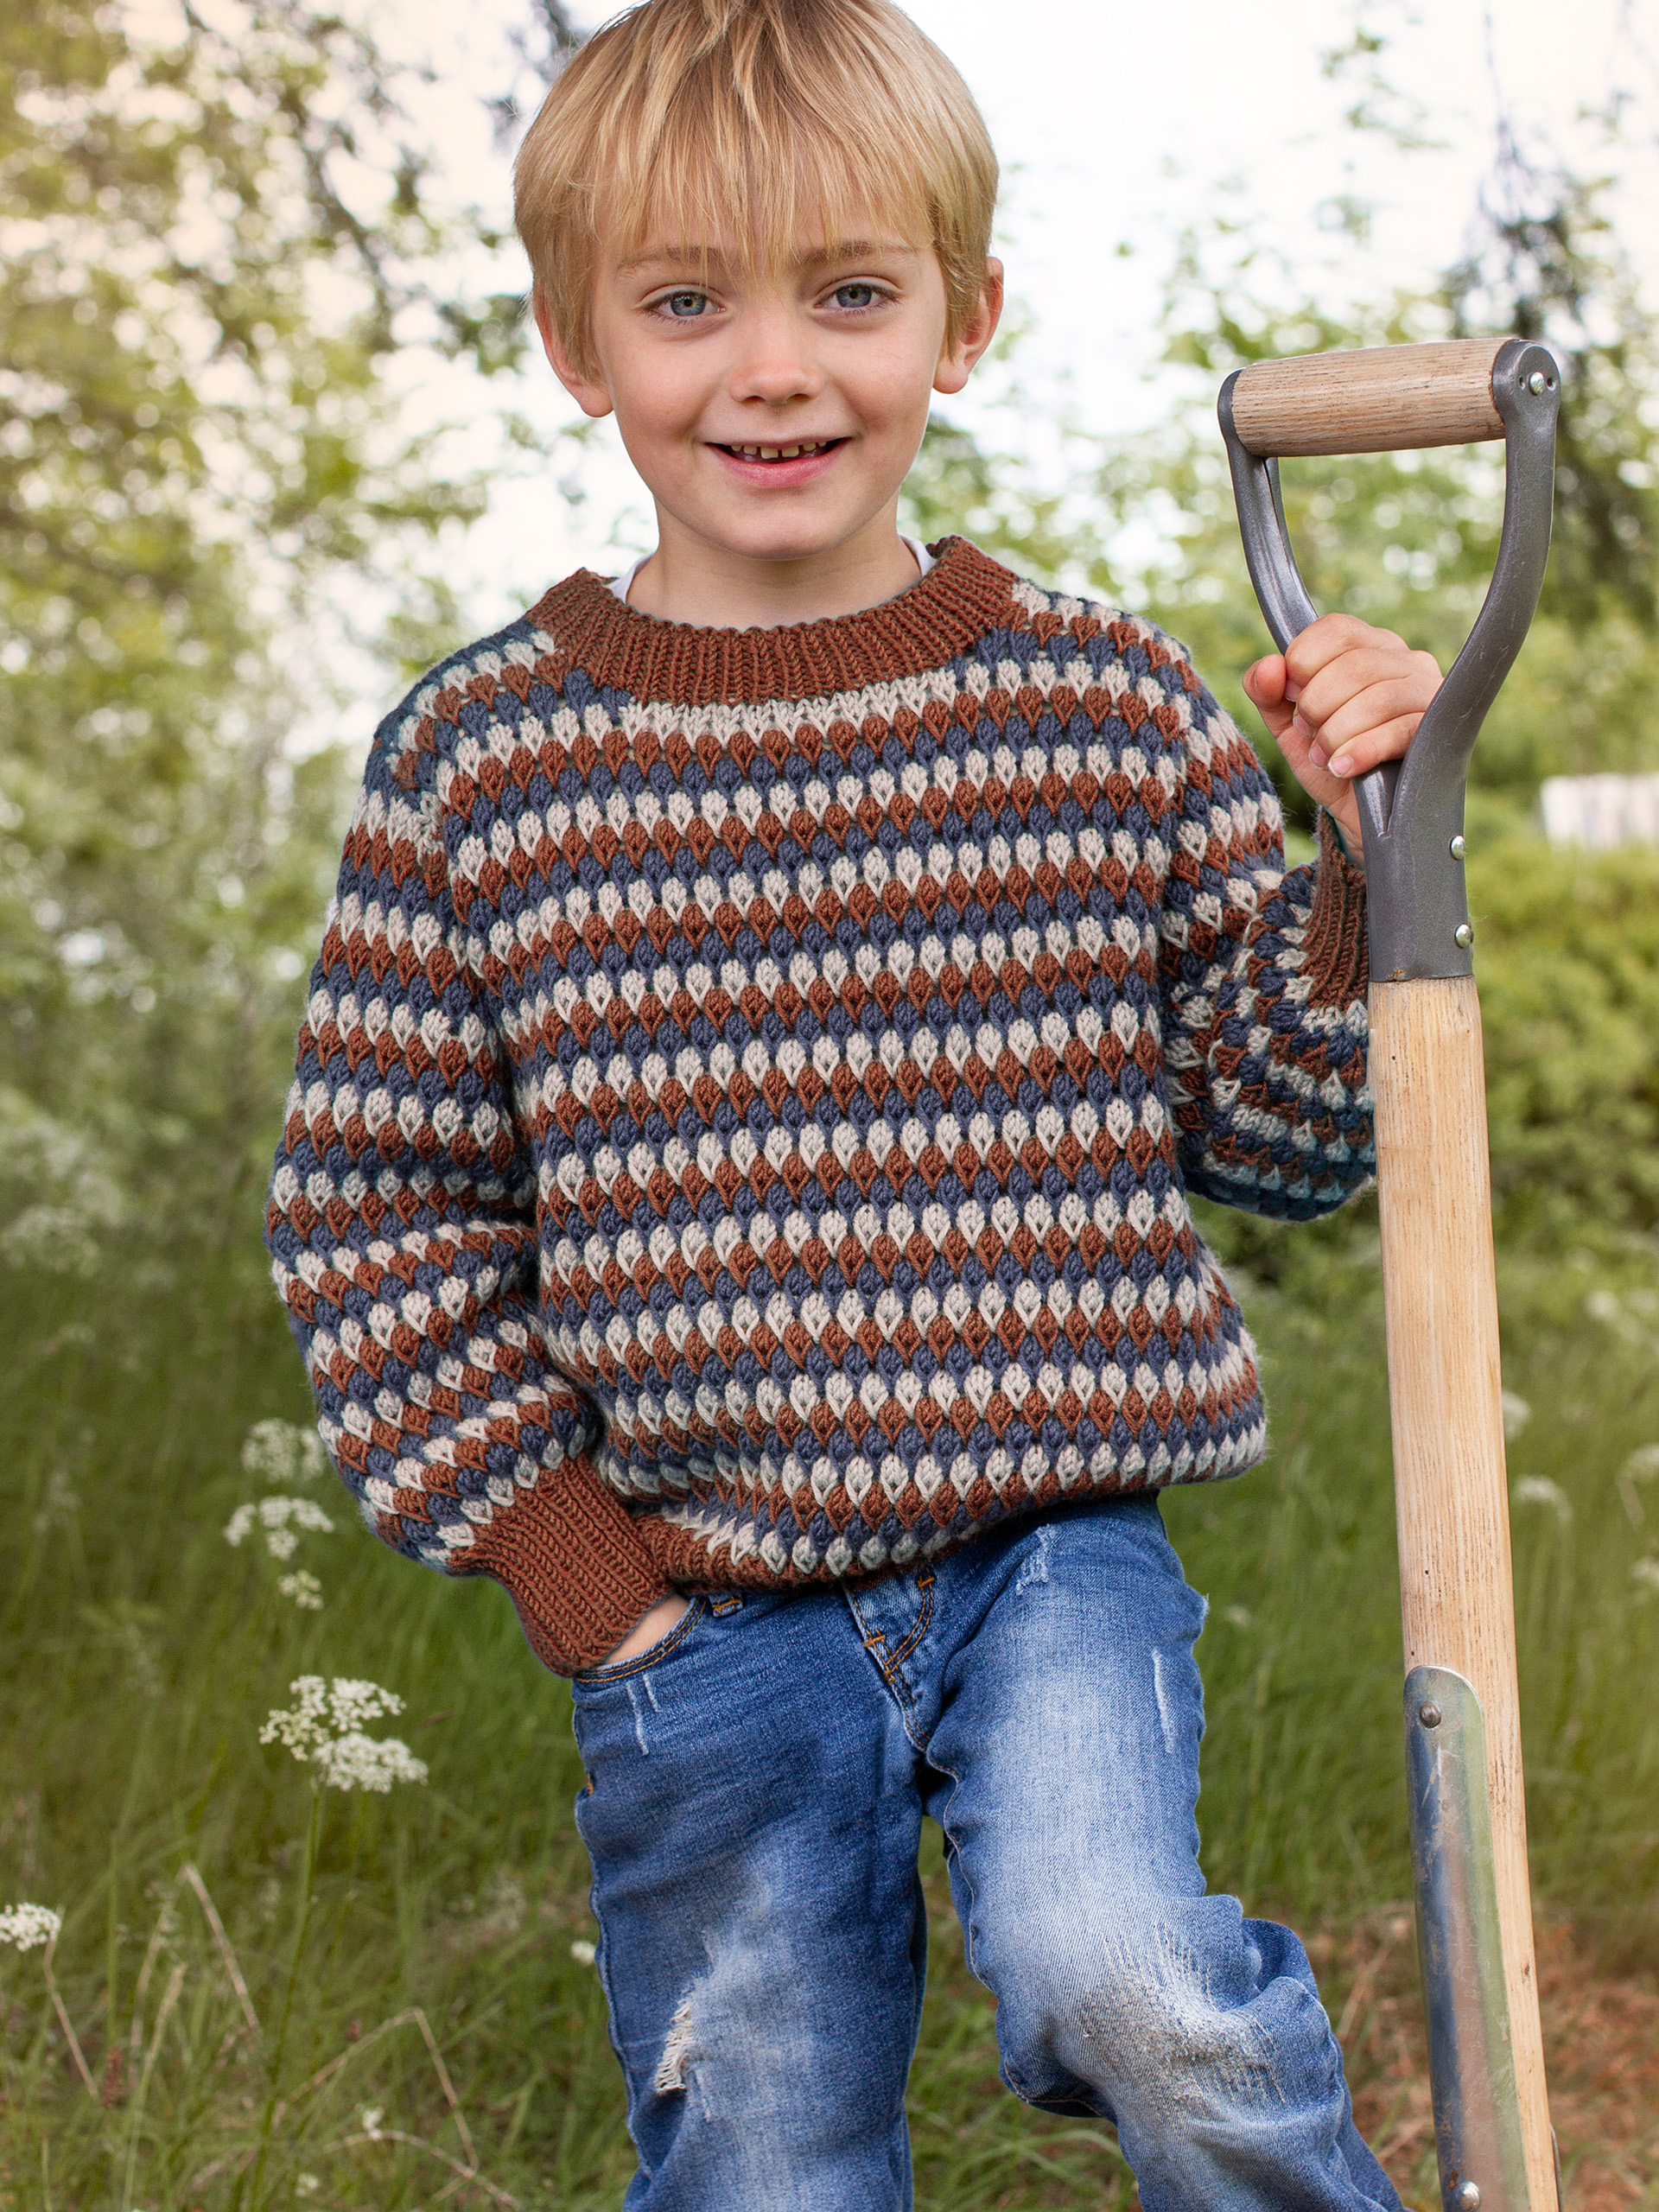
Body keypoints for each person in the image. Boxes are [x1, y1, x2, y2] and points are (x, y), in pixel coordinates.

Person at [266, 3, 1440, 2202]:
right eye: (688, 301)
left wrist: (1373, 850)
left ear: (966, 323)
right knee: (766, 2152)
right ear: (574, 341)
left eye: (853, 290)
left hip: (1051, 1549)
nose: (775, 365)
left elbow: (1285, 1130)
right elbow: (379, 1213)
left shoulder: (1101, 709)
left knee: (1127, 1982)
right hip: (697, 1596)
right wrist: (572, 1561)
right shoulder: (485, 769)